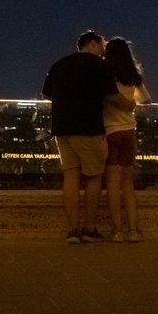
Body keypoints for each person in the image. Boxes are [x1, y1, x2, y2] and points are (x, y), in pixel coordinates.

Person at [42, 30, 117, 244]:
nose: (104, 48)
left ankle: (72, 229)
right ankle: (89, 228)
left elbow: (46, 94)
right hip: (89, 127)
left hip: (62, 128)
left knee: (71, 177)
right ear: (92, 43)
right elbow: (111, 96)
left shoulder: (60, 64)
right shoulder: (101, 66)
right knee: (93, 176)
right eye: (102, 43)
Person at [101, 37, 151, 243]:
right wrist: (132, 102)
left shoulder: (105, 75)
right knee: (128, 183)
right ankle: (133, 229)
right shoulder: (132, 76)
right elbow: (146, 101)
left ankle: (117, 231)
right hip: (129, 130)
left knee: (112, 183)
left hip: (110, 130)